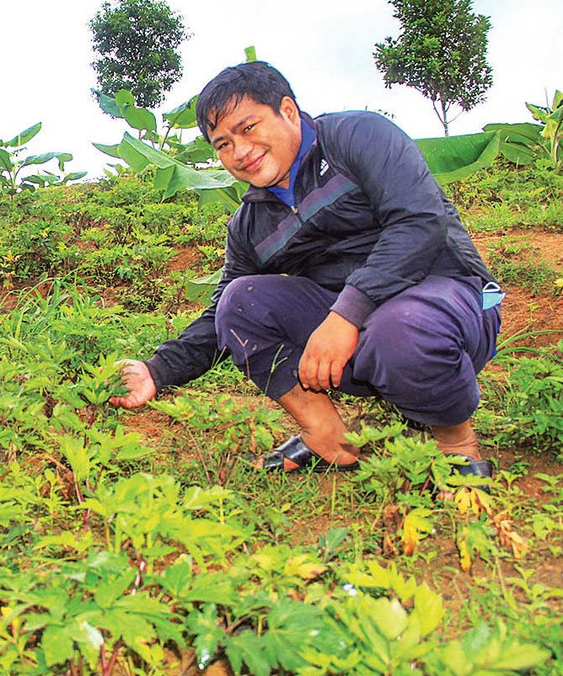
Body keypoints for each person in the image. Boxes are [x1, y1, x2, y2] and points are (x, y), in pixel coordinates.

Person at [109, 61, 501, 481]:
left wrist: (347, 314)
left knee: (400, 326)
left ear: (288, 111)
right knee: (240, 302)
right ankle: (327, 437)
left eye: (248, 128)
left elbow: (419, 222)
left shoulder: (357, 137)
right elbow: (220, 315)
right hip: (353, 338)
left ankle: (456, 443)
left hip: (450, 300)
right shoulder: (250, 224)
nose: (240, 151)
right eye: (223, 143)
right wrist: (157, 369)